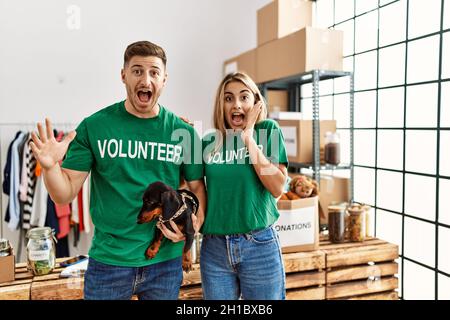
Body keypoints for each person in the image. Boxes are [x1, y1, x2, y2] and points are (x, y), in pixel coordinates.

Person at [29, 41, 206, 300]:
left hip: (165, 264)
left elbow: (196, 188)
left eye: (154, 72)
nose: (146, 79)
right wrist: (49, 167)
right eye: (137, 71)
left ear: (164, 79)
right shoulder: (95, 127)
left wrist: (195, 224)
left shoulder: (184, 133)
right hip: (108, 264)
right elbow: (63, 194)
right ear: (123, 75)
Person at [199, 72, 288, 300]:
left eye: (244, 97)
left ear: (256, 103)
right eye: (228, 98)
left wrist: (248, 138)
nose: (236, 104)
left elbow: (278, 186)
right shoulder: (210, 142)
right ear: (221, 104)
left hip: (259, 245)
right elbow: (194, 189)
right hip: (215, 248)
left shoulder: (268, 130)